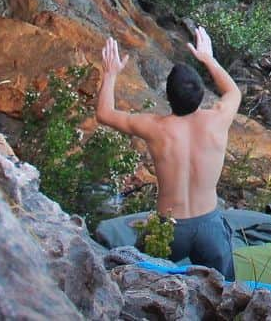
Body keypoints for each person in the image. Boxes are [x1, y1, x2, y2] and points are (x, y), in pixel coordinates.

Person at [95, 26, 240, 279]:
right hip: (210, 226)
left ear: (168, 98)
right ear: (201, 94)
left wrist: (110, 73)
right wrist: (208, 58)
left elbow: (104, 113)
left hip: (169, 228)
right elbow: (233, 91)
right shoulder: (218, 119)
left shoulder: (155, 128)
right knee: (226, 294)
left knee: (141, 281)